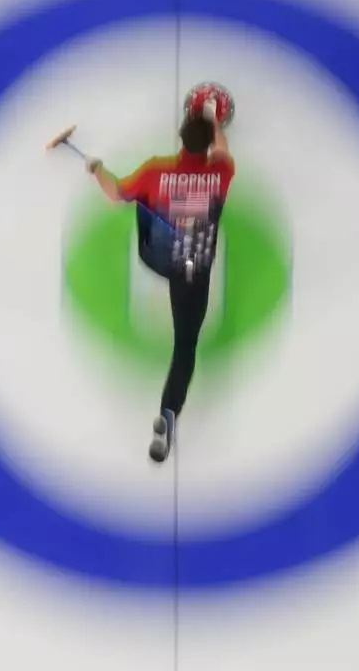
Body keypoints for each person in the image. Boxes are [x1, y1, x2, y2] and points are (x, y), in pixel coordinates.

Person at [84, 88, 236, 463]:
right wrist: (215, 118)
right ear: (208, 145)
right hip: (194, 273)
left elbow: (115, 192)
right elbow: (223, 151)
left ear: (180, 138)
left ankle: (159, 220)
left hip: (158, 257)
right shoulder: (221, 173)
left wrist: (97, 169)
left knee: (141, 200)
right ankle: (169, 411)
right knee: (185, 348)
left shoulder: (155, 169)